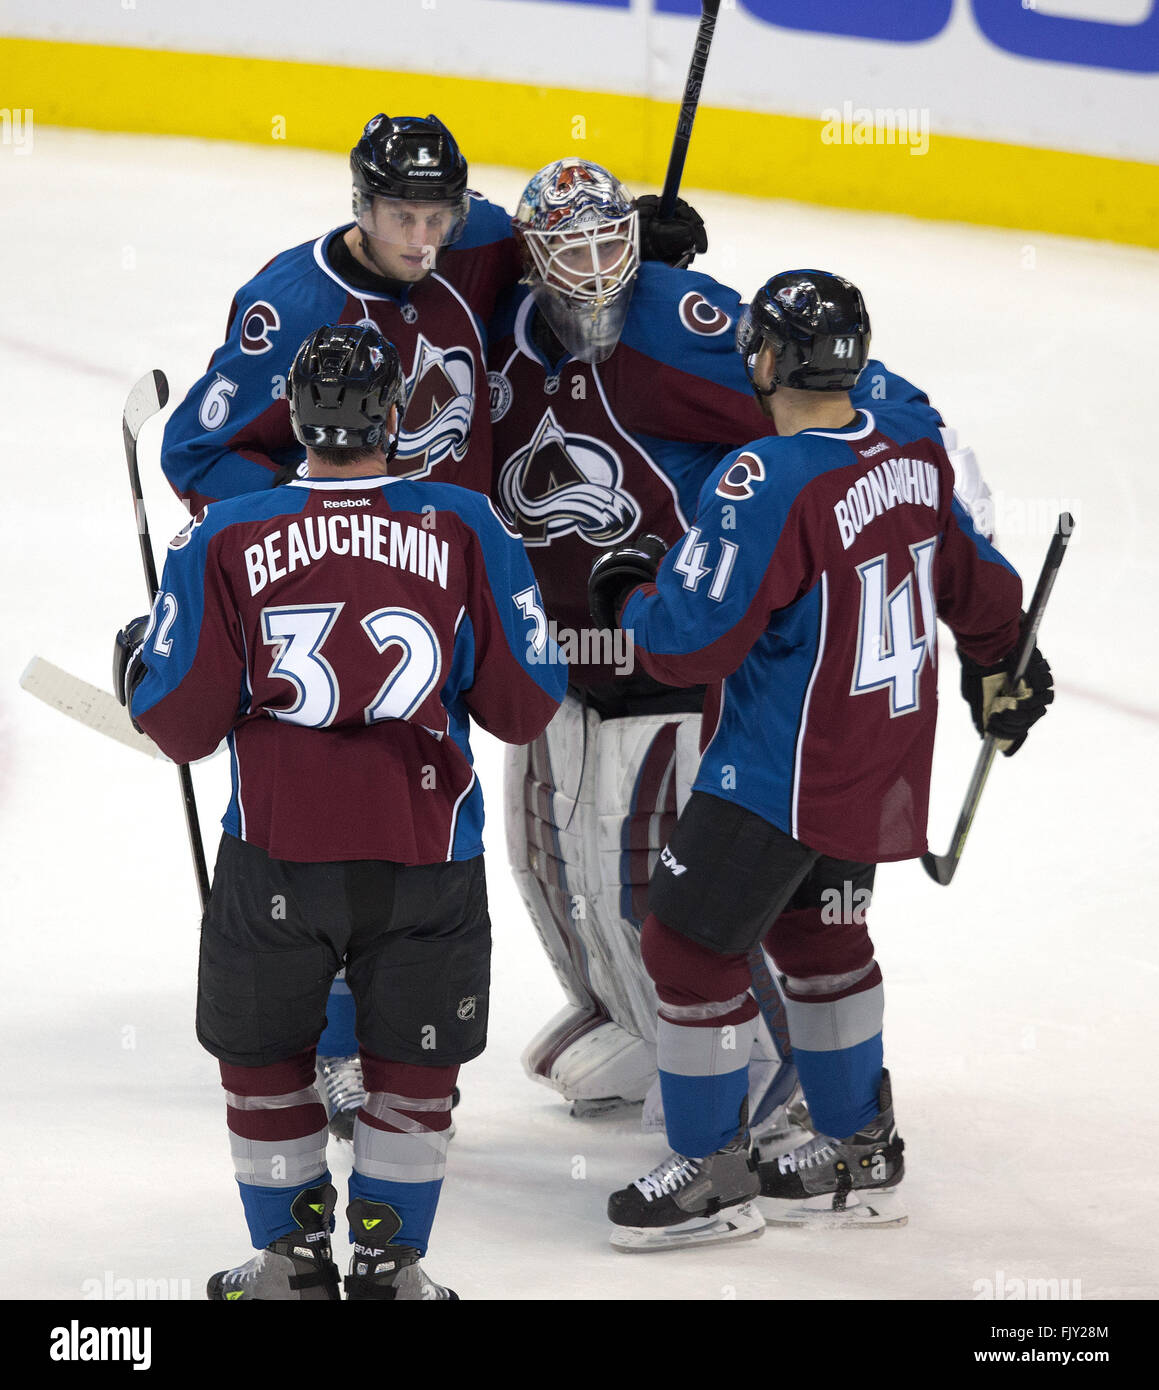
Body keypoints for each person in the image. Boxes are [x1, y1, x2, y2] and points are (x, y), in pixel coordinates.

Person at [159, 124, 702, 1140]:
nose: (421, 238)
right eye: (400, 217)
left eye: (437, 216)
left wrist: (644, 244)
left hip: (446, 588)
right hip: (331, 594)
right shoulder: (293, 305)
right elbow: (197, 447)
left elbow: (563, 237)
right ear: (359, 206)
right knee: (307, 803)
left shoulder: (477, 241)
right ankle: (323, 1039)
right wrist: (307, 522)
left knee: (419, 811)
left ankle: (389, 1031)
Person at [490, 159, 991, 1148]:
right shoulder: (491, 328)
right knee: (550, 850)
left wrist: (647, 601)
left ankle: (757, 1079)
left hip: (685, 670)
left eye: (609, 244)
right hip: (570, 658)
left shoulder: (682, 335)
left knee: (673, 901)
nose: (592, 269)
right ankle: (644, 1026)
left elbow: (874, 411)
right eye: (568, 248)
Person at [587, 270, 1054, 1250]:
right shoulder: (914, 455)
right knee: (819, 938)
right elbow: (978, 586)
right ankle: (857, 1146)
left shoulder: (765, 479)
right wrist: (1003, 663)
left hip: (778, 768)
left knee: (686, 944)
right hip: (875, 766)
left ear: (761, 357)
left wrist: (627, 592)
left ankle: (712, 1169)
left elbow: (691, 642)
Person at [117, 322, 565, 1297]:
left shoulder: (223, 532)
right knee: (415, 1066)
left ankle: (289, 1261)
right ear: (396, 413)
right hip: (427, 854)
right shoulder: (467, 523)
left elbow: (181, 724)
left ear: (294, 416)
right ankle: (391, 1269)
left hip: (278, 853)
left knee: (265, 1054)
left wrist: (145, 666)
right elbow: (525, 704)